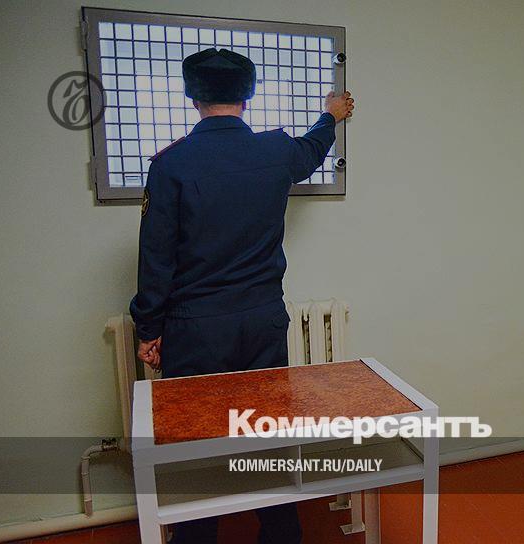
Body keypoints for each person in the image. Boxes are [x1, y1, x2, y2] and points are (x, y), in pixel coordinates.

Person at [129, 47, 354, 544]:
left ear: (192, 97)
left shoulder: (171, 164)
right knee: (268, 437)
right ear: (248, 96)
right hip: (261, 322)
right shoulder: (275, 151)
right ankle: (281, 533)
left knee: (198, 444)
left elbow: (156, 258)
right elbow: (312, 149)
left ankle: (197, 537)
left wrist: (149, 329)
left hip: (195, 329)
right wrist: (331, 115)